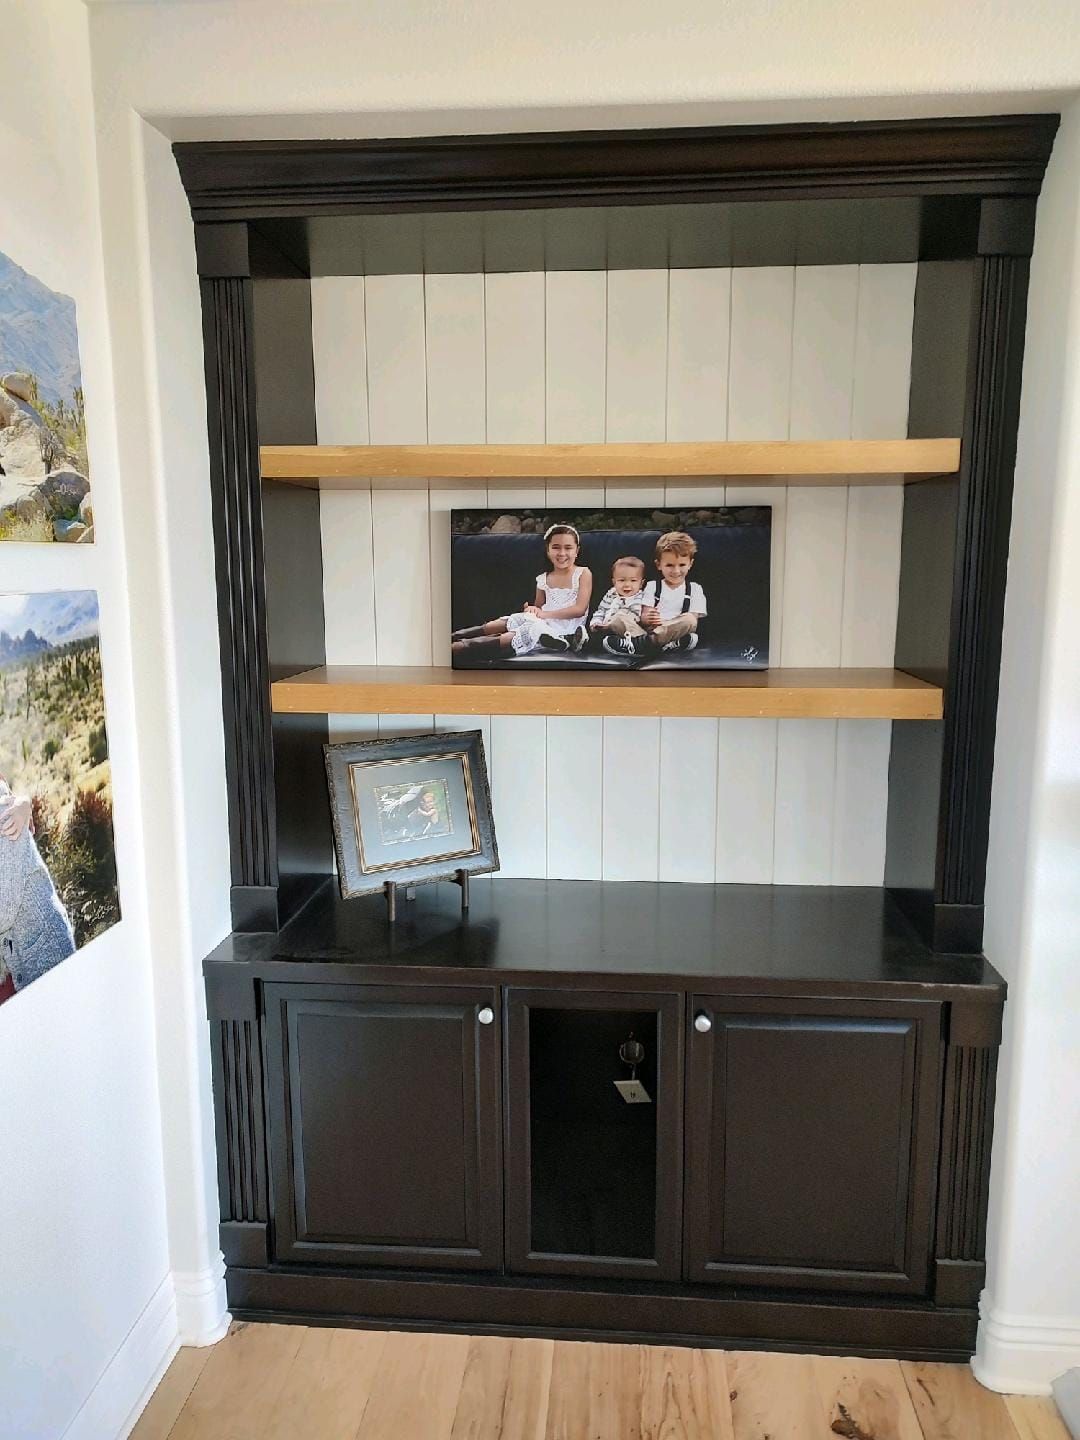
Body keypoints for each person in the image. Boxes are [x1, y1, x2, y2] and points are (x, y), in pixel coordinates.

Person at [452, 523, 593, 659]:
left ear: (577, 551)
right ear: (548, 550)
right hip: (543, 620)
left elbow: (579, 610)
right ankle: (454, 637)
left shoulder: (583, 573)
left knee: (531, 629)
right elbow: (538, 607)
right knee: (514, 619)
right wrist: (532, 609)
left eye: (568, 548)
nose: (562, 553)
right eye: (556, 547)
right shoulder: (543, 579)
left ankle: (460, 647)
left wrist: (544, 614)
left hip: (565, 629)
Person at [0, 778, 76, 1004]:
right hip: (16, 965)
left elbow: (4, 908)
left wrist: (24, 804)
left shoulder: (6, 813)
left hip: (44, 953)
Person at [606, 530, 707, 659]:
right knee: (618, 618)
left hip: (674, 631)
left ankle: (642, 645)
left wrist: (664, 625)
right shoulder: (653, 586)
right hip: (648, 631)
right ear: (658, 565)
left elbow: (693, 620)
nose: (676, 571)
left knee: (689, 620)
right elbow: (643, 617)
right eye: (669, 565)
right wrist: (649, 618)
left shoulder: (694, 589)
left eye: (682, 565)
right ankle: (658, 645)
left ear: (690, 564)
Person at [589, 555, 651, 657]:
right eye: (622, 580)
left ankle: (640, 645)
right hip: (606, 630)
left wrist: (610, 624)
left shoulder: (640, 597)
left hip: (629, 631)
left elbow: (636, 617)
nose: (627, 585)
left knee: (621, 617)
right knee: (596, 635)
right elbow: (601, 610)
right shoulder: (611, 594)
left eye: (633, 581)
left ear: (641, 583)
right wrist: (596, 622)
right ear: (614, 582)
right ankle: (584, 641)